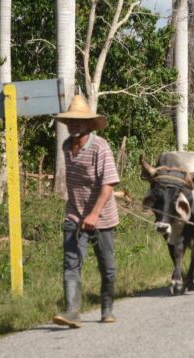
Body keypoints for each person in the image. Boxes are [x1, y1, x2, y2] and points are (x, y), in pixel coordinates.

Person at [52, 95, 120, 328]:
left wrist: (93, 214)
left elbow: (108, 184)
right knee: (71, 262)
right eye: (71, 121)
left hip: (102, 217)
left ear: (90, 124)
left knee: (107, 266)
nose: (74, 125)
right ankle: (72, 312)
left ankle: (107, 308)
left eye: (80, 122)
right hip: (74, 214)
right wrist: (81, 215)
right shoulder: (65, 146)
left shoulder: (100, 147)